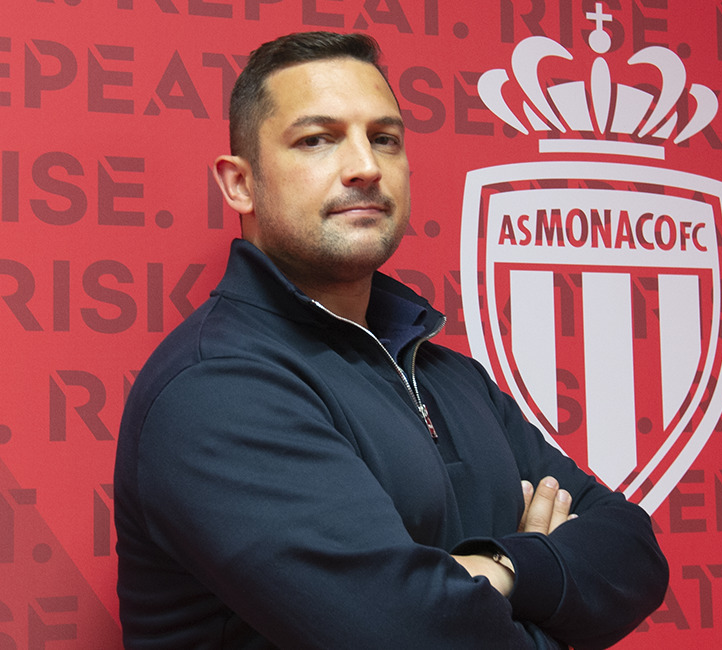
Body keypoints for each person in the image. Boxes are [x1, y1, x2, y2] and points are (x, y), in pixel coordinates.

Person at [114, 31, 668, 649]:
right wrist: (547, 594)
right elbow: (411, 635)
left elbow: (633, 554)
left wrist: (501, 569)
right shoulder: (218, 386)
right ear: (240, 184)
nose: (366, 166)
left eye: (384, 138)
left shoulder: (452, 376)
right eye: (317, 139)